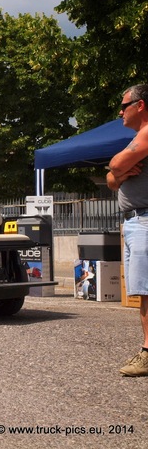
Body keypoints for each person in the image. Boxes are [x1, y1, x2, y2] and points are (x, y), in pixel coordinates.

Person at [106, 84, 148, 377]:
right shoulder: (138, 137)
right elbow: (110, 178)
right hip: (137, 221)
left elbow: (115, 164)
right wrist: (117, 174)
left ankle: (147, 352)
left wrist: (117, 170)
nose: (121, 111)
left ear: (141, 106)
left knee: (147, 292)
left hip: (145, 221)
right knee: (144, 292)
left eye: (125, 106)